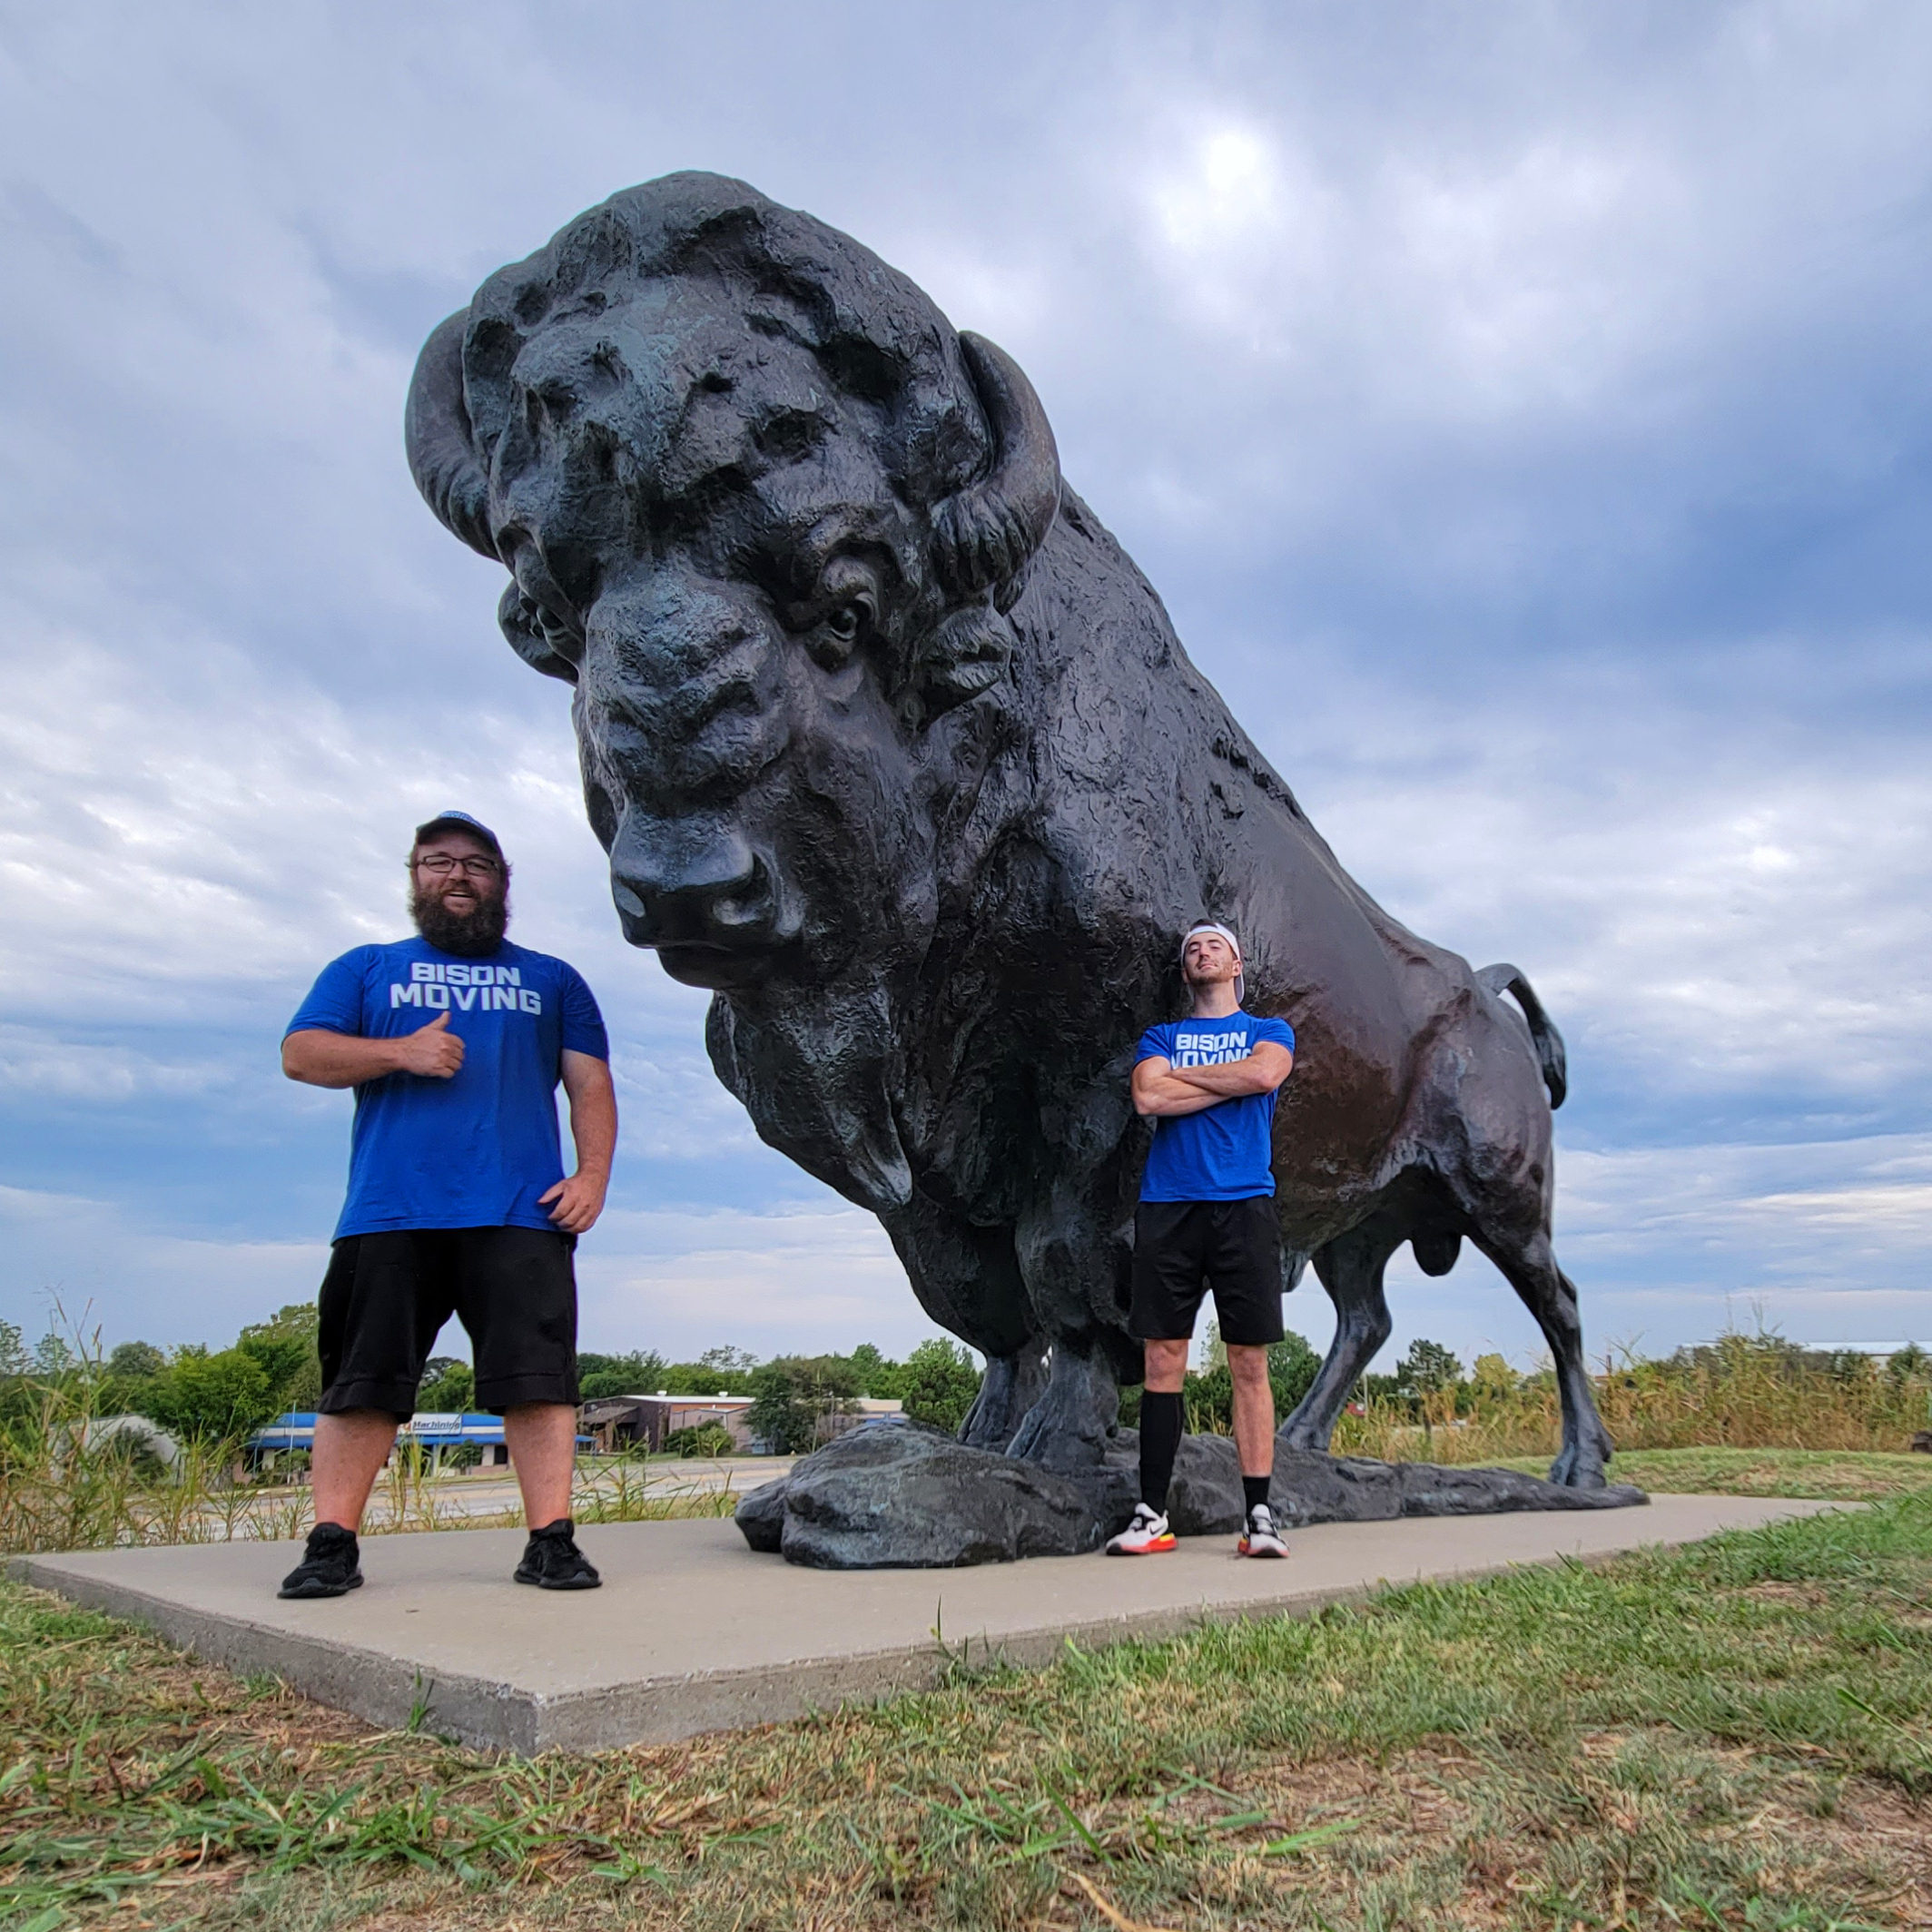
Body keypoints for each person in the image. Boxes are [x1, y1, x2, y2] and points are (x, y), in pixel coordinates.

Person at [275, 811, 617, 1599]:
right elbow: (301, 1054)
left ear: (503, 883)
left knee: (539, 1381)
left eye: (476, 864)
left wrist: (592, 1175)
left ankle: (551, 1542)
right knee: (363, 1382)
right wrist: (400, 1052)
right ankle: (331, 1545)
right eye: (438, 862)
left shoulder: (553, 979)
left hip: (521, 1212)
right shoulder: (365, 968)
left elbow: (589, 1084)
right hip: (390, 1212)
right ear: (414, 878)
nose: (457, 875)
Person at [1108, 922, 1296, 1559]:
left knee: (1249, 1360)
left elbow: (1267, 1077)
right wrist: (1227, 1078)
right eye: (1192, 948)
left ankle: (1260, 1517)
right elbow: (1145, 1095)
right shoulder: (1161, 1037)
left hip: (1244, 1204)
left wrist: (1184, 1087)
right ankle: (1152, 1514)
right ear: (1185, 970)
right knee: (1163, 1359)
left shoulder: (1271, 1031)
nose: (1201, 951)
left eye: (1213, 944)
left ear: (1237, 961)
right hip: (1169, 1206)